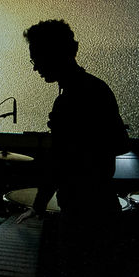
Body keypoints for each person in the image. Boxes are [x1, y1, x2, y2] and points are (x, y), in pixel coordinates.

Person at [16, 19, 128, 222]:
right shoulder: (98, 87)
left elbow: (58, 162)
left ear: (53, 55)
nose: (35, 68)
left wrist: (39, 205)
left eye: (37, 59)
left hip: (82, 211)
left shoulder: (69, 99)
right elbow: (121, 143)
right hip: (103, 204)